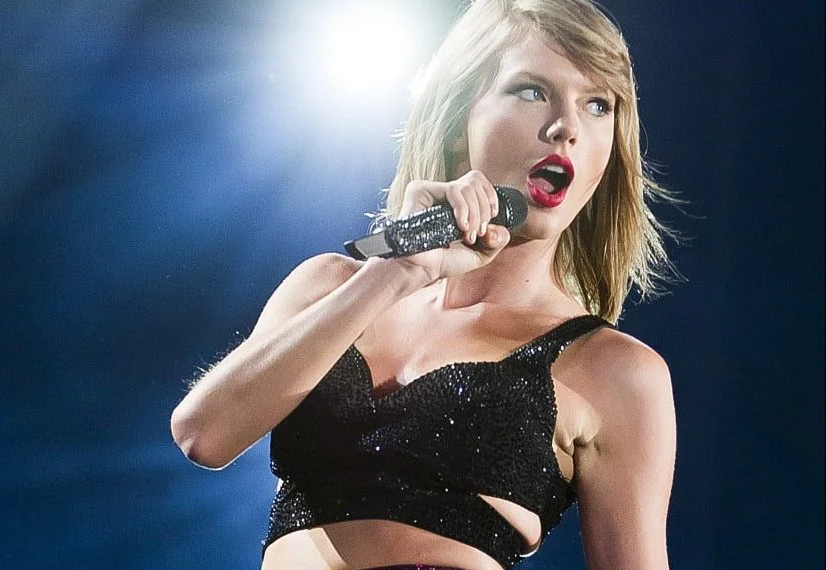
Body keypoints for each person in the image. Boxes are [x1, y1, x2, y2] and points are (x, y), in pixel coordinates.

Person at [171, 0, 679, 567]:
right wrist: (398, 269)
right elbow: (203, 434)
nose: (567, 127)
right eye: (532, 91)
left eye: (597, 104)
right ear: (461, 121)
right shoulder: (329, 286)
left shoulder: (612, 370)